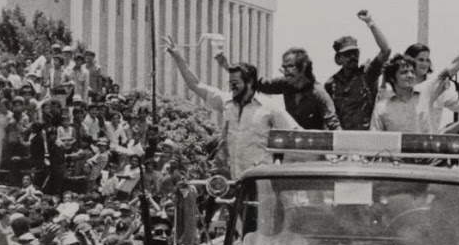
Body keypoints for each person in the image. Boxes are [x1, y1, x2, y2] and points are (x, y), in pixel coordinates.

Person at [165, 35, 299, 178]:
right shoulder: (226, 102)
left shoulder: (269, 107)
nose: (232, 87)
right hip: (234, 180)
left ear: (250, 82)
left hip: (261, 180)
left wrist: (280, 162)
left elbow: (295, 132)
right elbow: (195, 85)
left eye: (235, 83)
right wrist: (178, 57)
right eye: (230, 83)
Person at [371, 20, 459, 133]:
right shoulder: (384, 103)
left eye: (427, 60)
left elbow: (454, 66)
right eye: (420, 60)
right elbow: (376, 138)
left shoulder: (428, 90)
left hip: (427, 147)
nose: (409, 75)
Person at [324, 10, 391, 130]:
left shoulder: (367, 74)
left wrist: (370, 23)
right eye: (348, 54)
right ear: (338, 59)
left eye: (355, 53)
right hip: (342, 137)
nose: (353, 57)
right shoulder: (331, 84)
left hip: (367, 136)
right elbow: (328, 115)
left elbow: (386, 50)